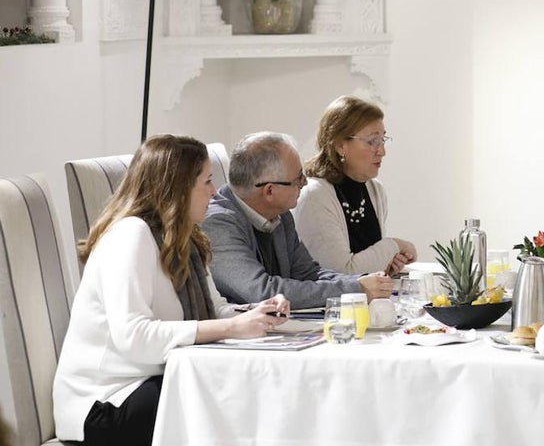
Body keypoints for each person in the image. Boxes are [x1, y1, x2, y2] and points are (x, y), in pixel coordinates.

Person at [52, 135, 289, 446]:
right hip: (107, 401)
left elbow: (216, 310)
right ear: (177, 188)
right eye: (206, 182)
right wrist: (232, 327)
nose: (214, 191)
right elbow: (133, 337)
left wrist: (257, 312)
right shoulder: (130, 235)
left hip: (156, 381)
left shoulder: (186, 238)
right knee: (225, 400)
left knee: (248, 389)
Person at [201, 131, 393, 309]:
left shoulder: (280, 213)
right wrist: (356, 290)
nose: (305, 182)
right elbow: (261, 292)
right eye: (298, 178)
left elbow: (308, 274)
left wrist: (362, 282)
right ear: (270, 191)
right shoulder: (218, 223)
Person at [296, 95, 417, 275]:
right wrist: (393, 246)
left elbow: (367, 269)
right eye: (372, 142)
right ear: (340, 146)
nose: (382, 151)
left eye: (382, 140)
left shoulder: (375, 190)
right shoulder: (315, 195)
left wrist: (387, 266)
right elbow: (341, 273)